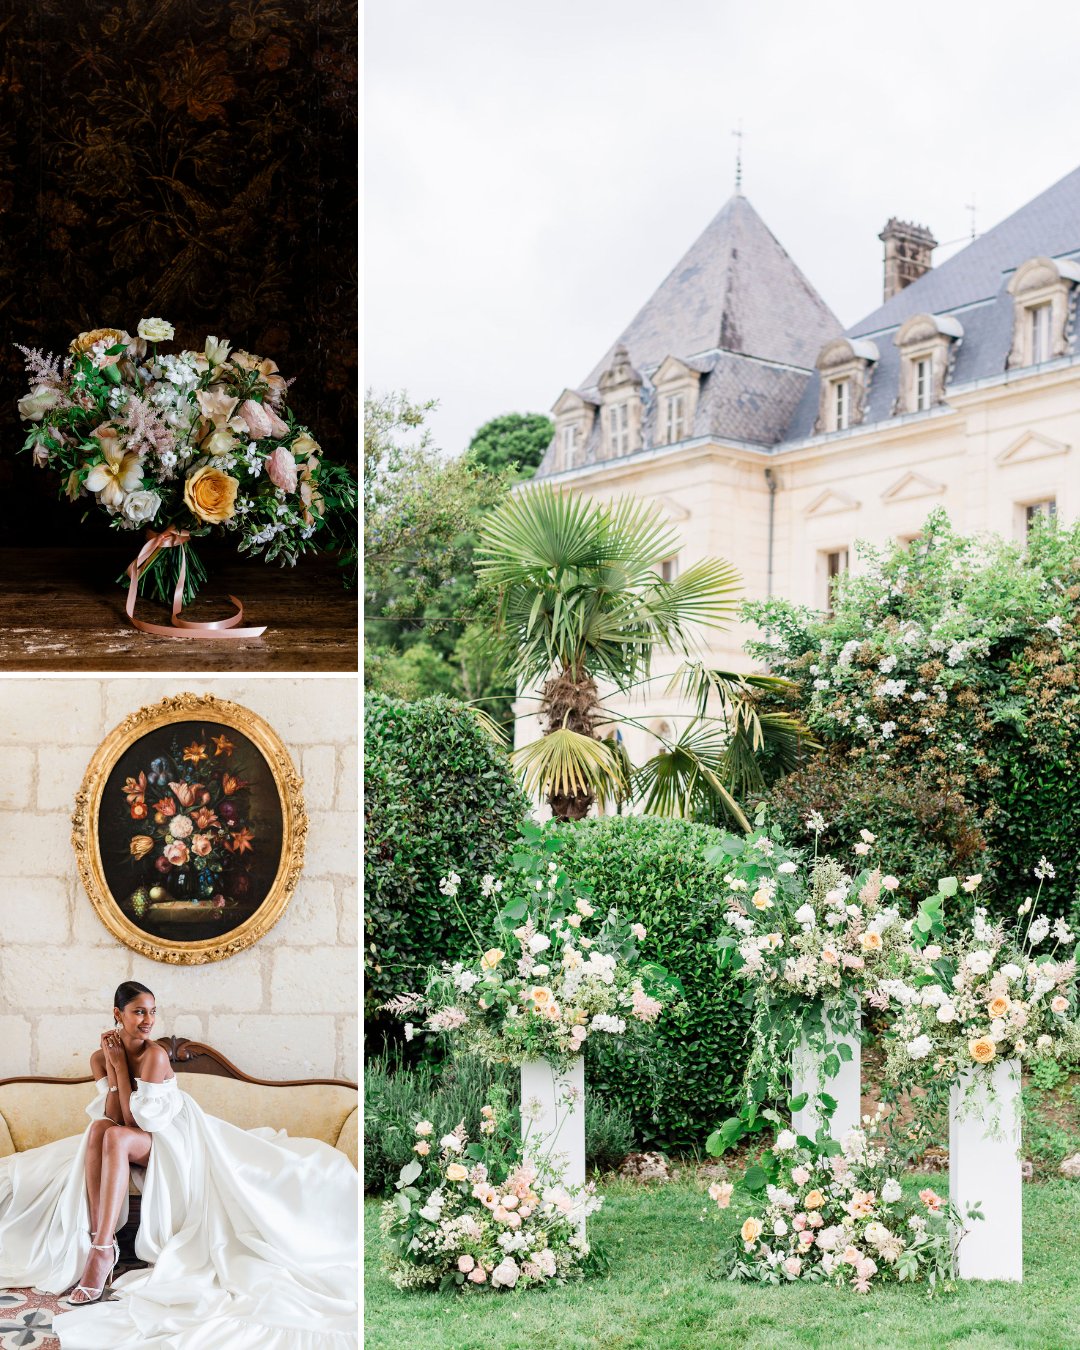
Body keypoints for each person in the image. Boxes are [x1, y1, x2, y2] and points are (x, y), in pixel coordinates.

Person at [0, 982, 358, 1349]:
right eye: (139, 1011)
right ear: (117, 1014)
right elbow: (112, 1116)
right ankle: (96, 1243)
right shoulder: (99, 1056)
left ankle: (103, 1250)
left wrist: (121, 1069)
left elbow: (137, 1122)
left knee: (116, 1137)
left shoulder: (155, 1056)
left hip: (173, 1135)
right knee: (98, 1131)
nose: (148, 1020)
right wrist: (110, 1067)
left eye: (152, 1011)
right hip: (133, 1128)